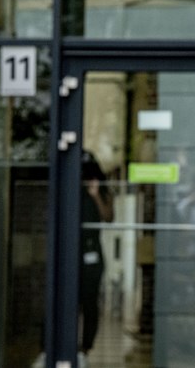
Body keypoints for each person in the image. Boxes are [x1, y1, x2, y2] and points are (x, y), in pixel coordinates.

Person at [80, 151, 114, 357]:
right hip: (74, 248)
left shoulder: (102, 191)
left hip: (92, 250)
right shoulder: (73, 188)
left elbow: (108, 217)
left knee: (90, 300)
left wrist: (95, 195)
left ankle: (86, 346)